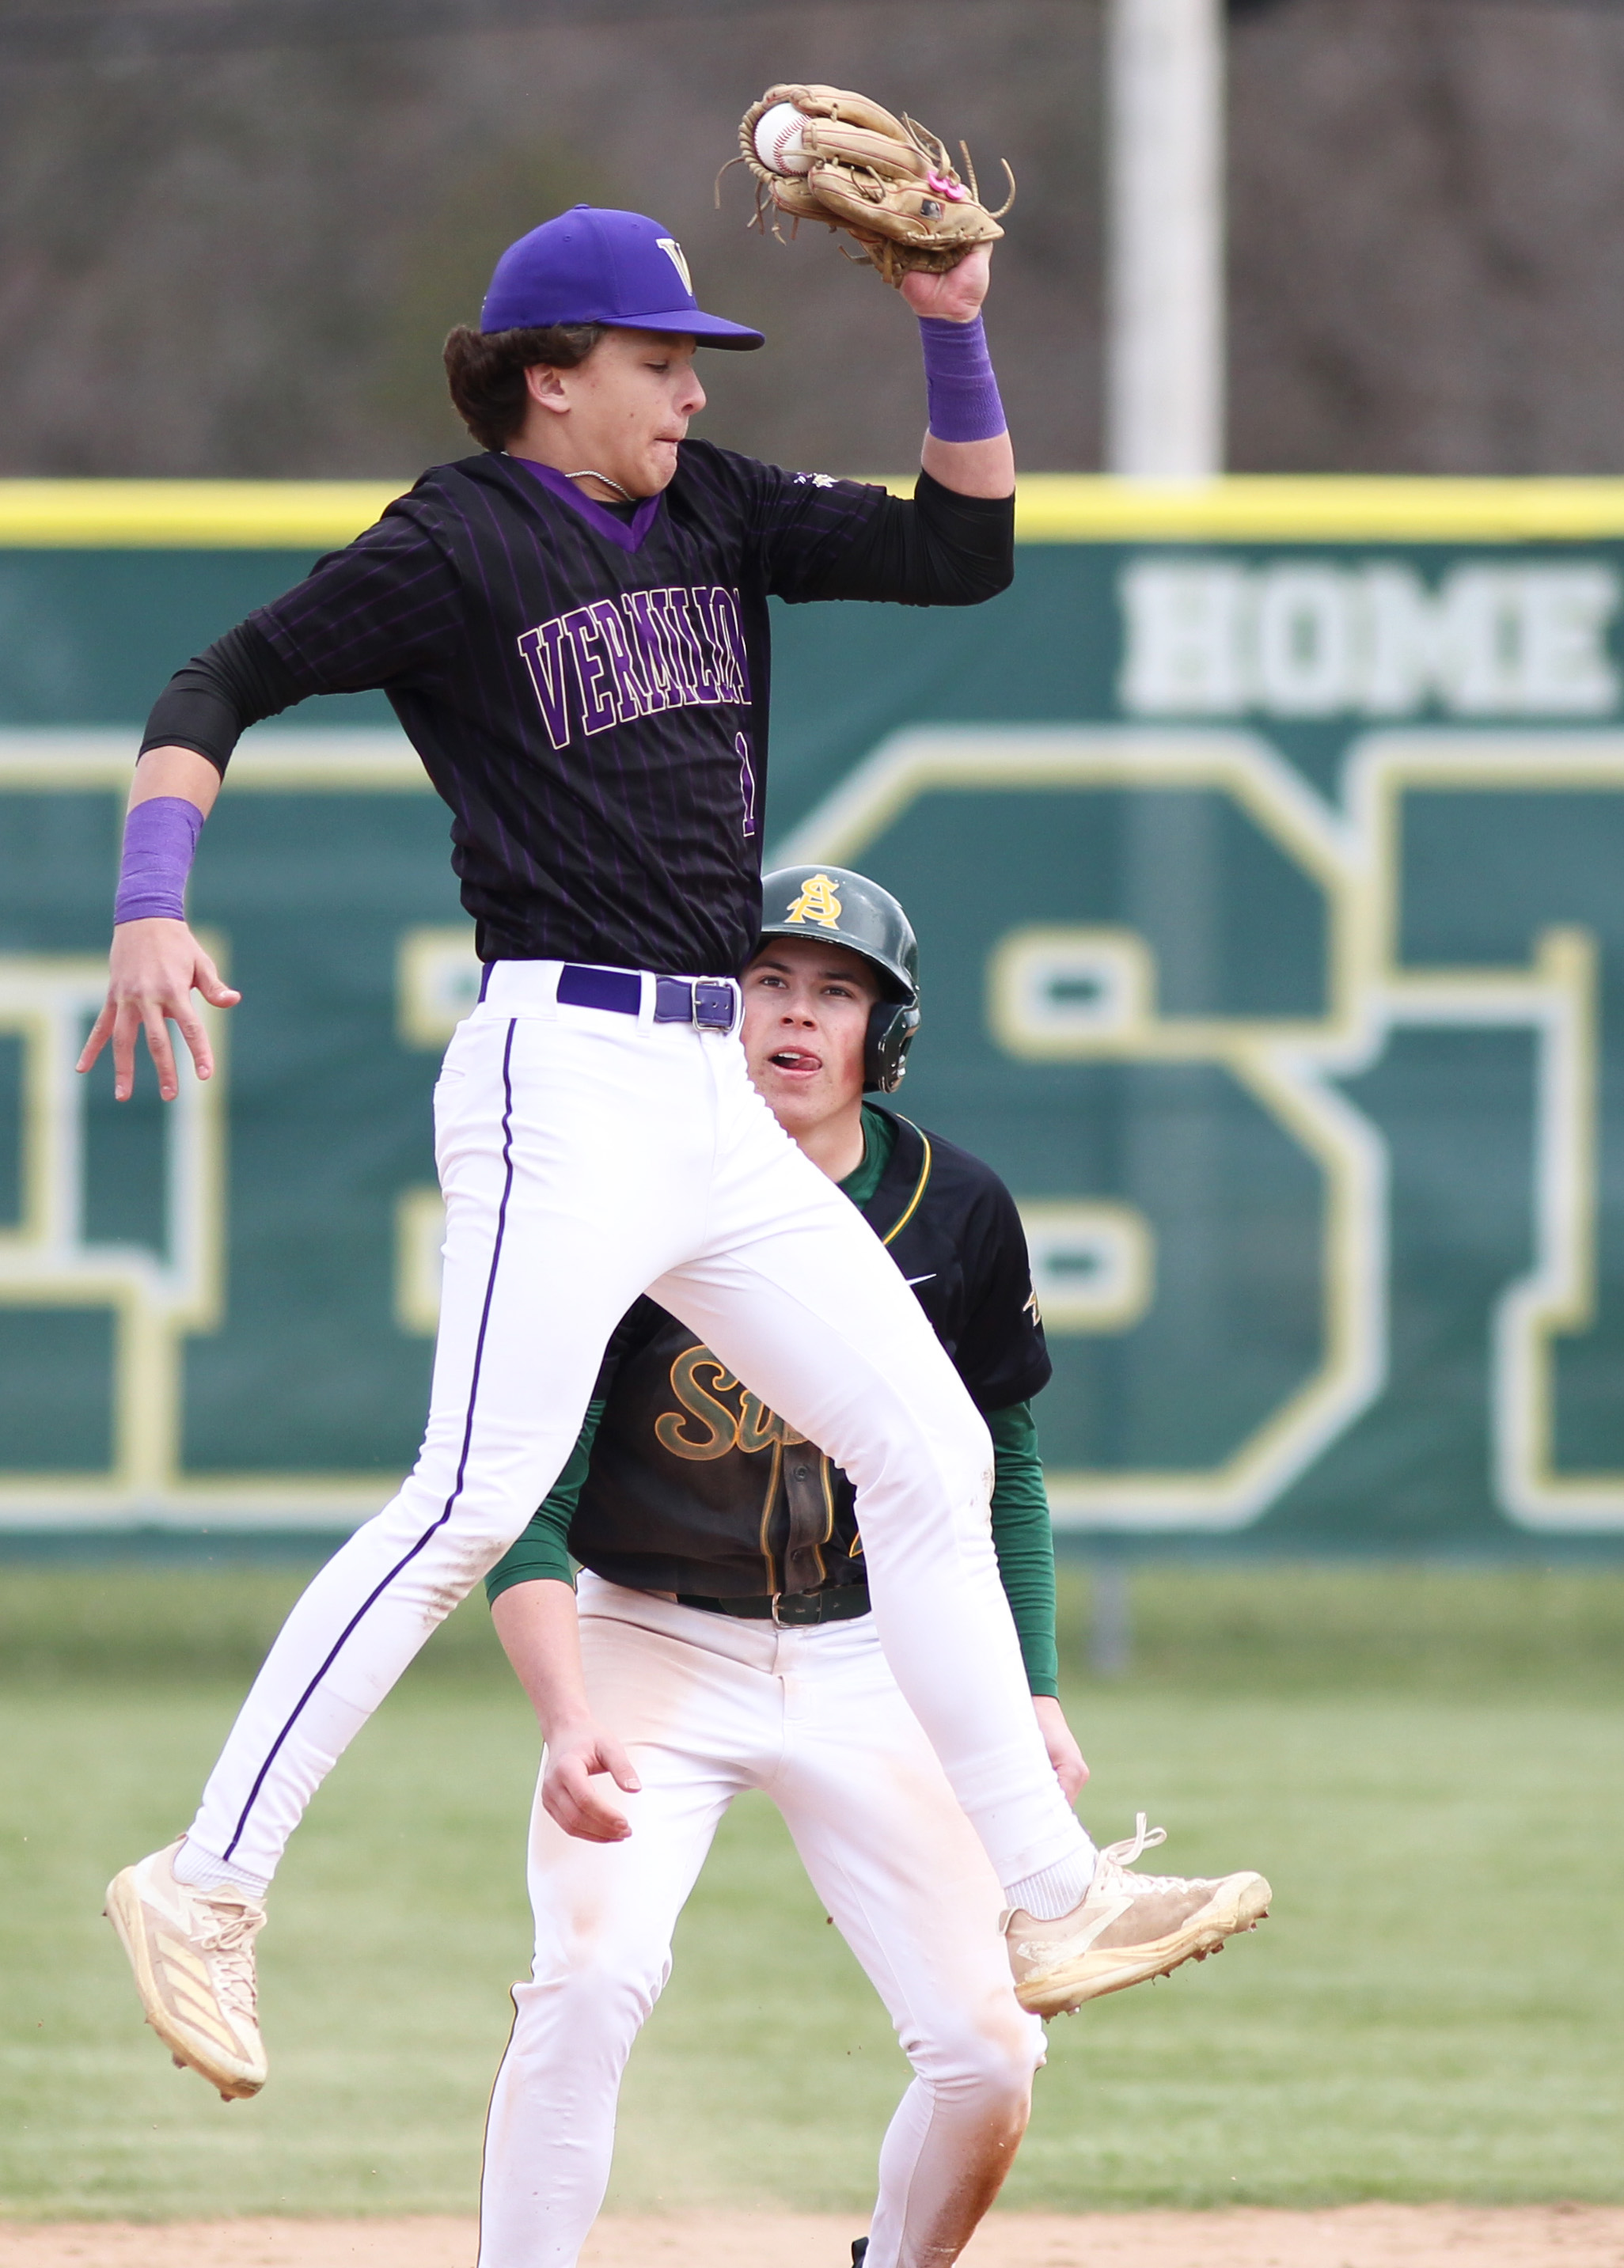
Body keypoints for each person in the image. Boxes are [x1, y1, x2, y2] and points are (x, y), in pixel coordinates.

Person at [89, 203, 1262, 2107]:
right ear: (550, 375)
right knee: (472, 1497)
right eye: (655, 358)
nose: (689, 387)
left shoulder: (712, 507)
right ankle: (206, 1878)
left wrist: (954, 324)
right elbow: (210, 685)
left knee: (930, 1441)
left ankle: (1045, 1893)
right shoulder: (456, 539)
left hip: (704, 1087)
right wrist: (150, 901)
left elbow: (964, 550)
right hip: (559, 1065)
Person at [476, 864, 1268, 2268]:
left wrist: (1023, 1689)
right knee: (588, 1981)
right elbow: (526, 1495)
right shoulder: (626, 1196)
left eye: (835, 992)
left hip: (875, 1652)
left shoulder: (954, 1207)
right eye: (768, 982)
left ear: (883, 1035)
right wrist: (564, 1710)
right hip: (652, 1644)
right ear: (715, 1010)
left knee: (989, 2049)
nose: (795, 1016)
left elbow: (1003, 1469)